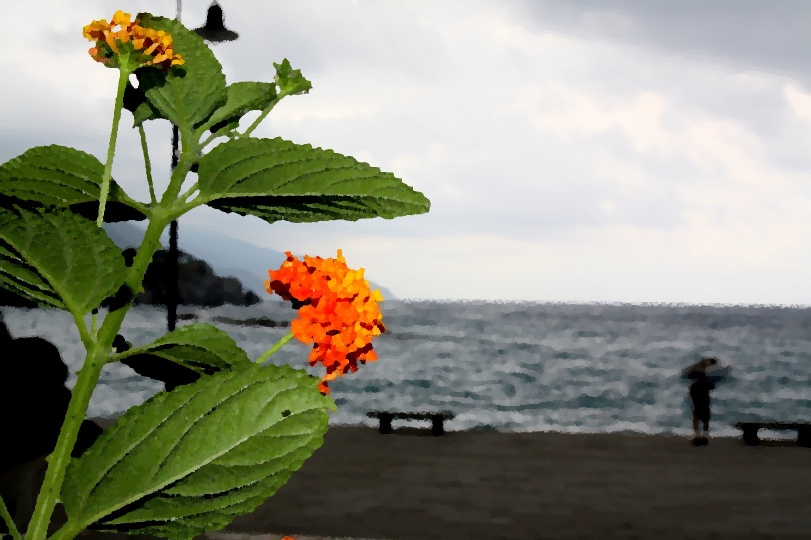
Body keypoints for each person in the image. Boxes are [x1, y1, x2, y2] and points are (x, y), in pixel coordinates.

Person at [688, 370, 716, 443]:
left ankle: (697, 434)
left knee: (696, 419)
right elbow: (713, 386)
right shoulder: (706, 384)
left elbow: (691, 395)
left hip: (697, 404)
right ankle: (705, 435)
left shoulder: (694, 385)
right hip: (705, 403)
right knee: (706, 420)